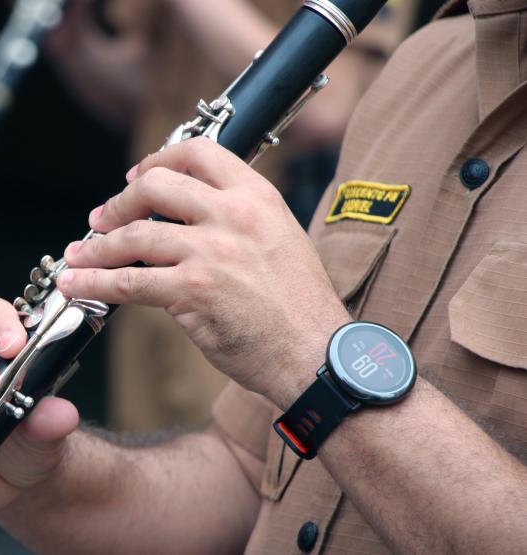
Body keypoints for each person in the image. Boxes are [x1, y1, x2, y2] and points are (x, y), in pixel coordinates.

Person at [0, 0, 527, 551]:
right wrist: (42, 483)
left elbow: (306, 355)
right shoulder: (428, 64)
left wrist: (308, 352)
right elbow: (243, 477)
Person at [46, 0, 415, 431]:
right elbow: (142, 92)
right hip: (149, 246)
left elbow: (328, 109)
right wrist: (67, 38)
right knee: (144, 447)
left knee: (228, 456)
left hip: (256, 269)